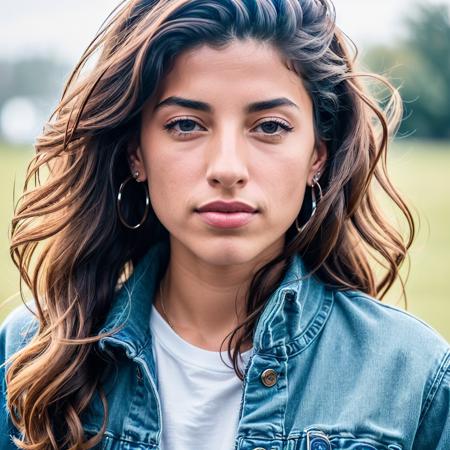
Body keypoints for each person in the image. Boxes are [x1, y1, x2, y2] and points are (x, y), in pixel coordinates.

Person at [1, 0, 449, 449]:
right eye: (185, 125)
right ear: (136, 153)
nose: (227, 168)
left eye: (270, 126)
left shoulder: (414, 374)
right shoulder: (32, 351)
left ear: (318, 155)